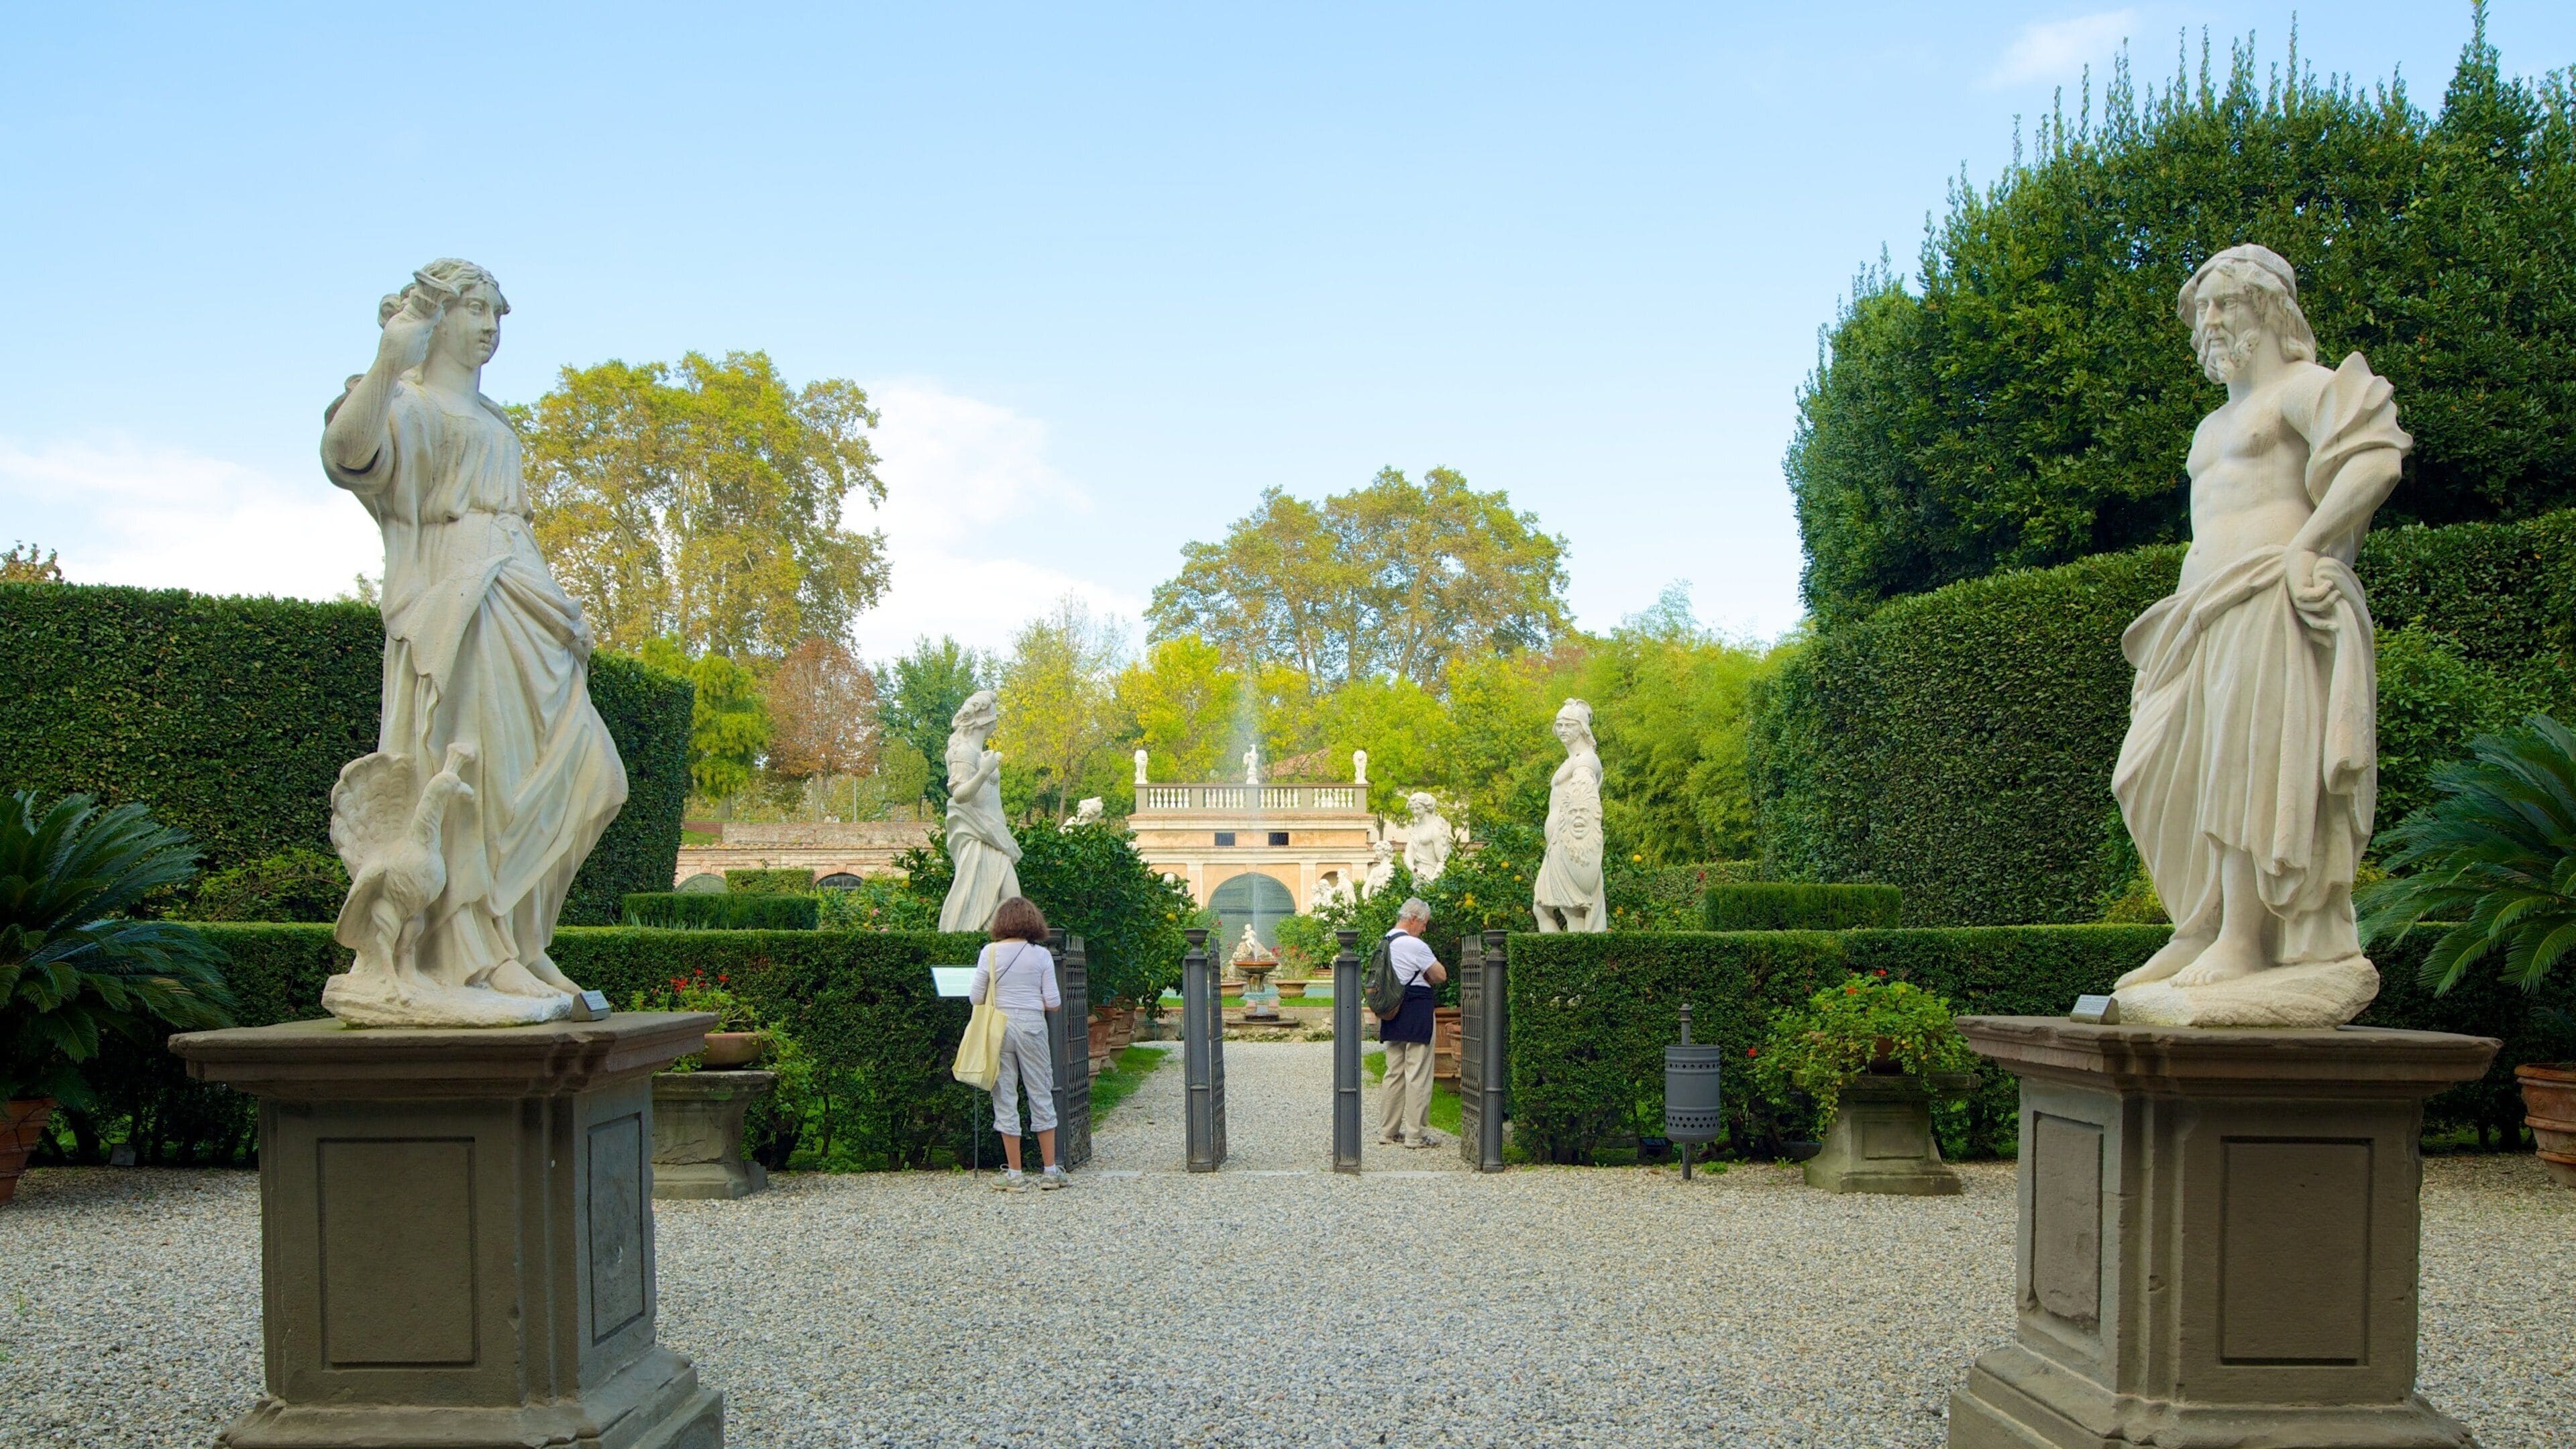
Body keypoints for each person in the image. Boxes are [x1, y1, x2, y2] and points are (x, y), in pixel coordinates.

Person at [971, 896, 1067, 1191]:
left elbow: (976, 997)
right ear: (1033, 922)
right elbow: (1054, 1002)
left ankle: (1015, 1174)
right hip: (1032, 1027)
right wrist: (1030, 1001)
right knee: (1040, 1093)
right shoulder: (1040, 956)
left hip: (998, 1027)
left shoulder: (989, 952)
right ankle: (1050, 1171)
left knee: (1005, 1096)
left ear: (1001, 922)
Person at [1375, 897, 1448, 1148]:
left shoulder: (1385, 941)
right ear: (1414, 919)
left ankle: (1388, 1131)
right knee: (1417, 1072)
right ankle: (1415, 1135)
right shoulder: (1415, 945)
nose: (1424, 929)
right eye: (1424, 923)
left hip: (1392, 1010)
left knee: (1394, 1072)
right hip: (1416, 1007)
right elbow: (1440, 974)